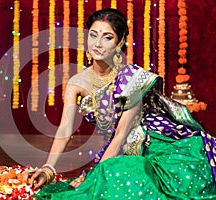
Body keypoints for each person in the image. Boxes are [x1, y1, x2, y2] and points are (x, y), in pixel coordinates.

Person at [26, 8, 216, 199]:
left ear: (120, 42)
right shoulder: (77, 83)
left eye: (107, 37)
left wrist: (96, 175)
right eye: (93, 35)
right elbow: (65, 129)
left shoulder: (131, 79)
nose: (98, 44)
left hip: (157, 144)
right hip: (115, 150)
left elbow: (122, 134)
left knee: (132, 176)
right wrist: (48, 168)